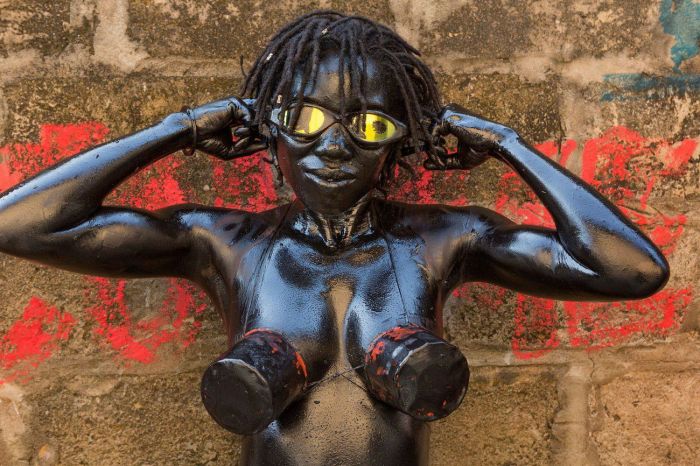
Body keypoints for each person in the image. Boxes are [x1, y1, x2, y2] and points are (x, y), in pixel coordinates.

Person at [0, 10, 668, 466]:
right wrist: (180, 128)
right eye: (304, 118)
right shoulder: (224, 245)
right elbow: (20, 223)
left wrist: (506, 144)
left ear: (403, 141)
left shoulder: (446, 240)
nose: (335, 145)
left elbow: (632, 271)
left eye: (372, 125)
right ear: (269, 130)